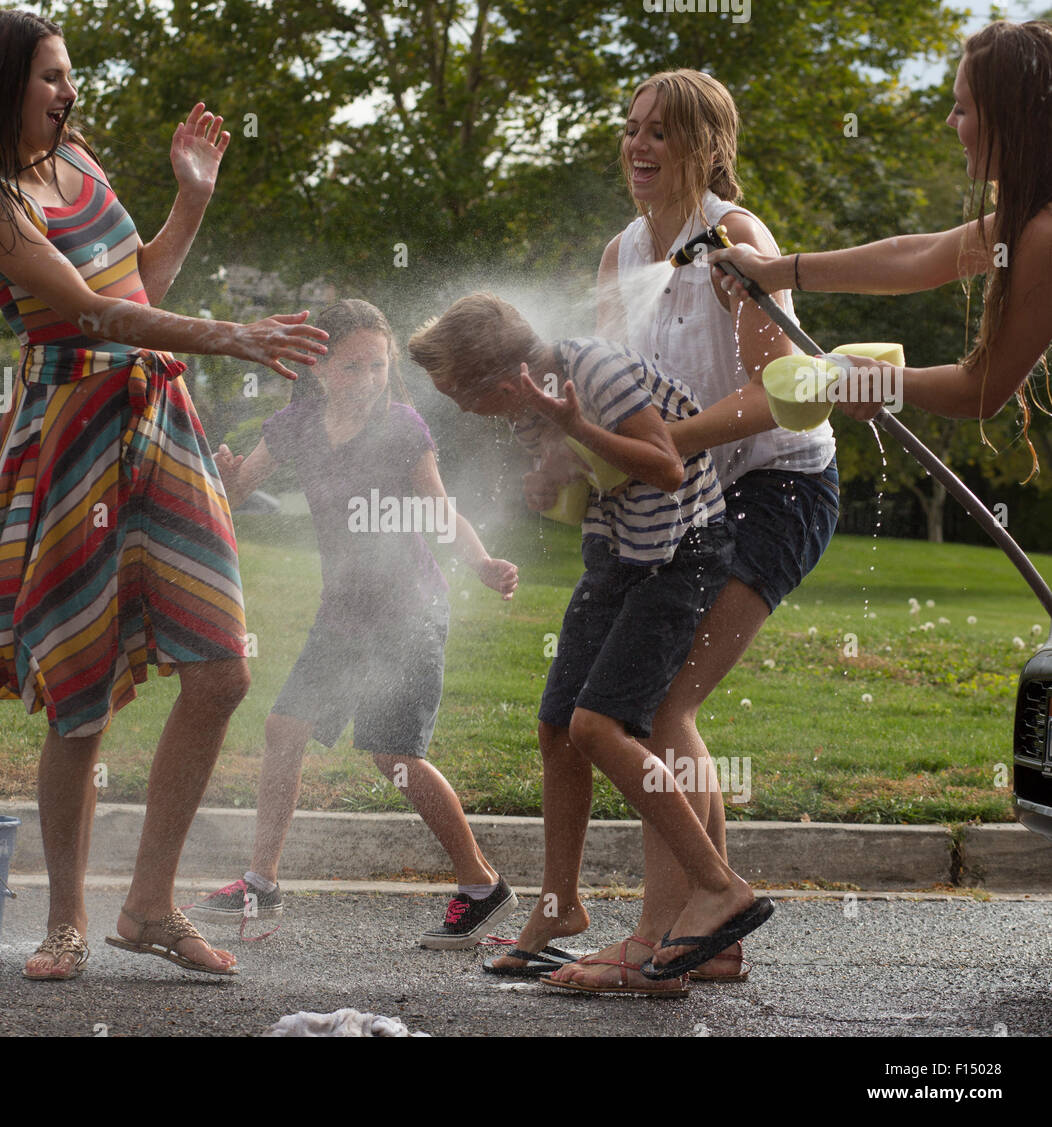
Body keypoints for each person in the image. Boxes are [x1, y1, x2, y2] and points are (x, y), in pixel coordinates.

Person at [0, 8, 328, 981]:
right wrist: (233, 336)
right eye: (51, 77)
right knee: (80, 697)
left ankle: (146, 903)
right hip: (74, 439)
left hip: (160, 421)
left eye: (69, 74)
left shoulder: (82, 167)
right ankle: (65, 921)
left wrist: (190, 200)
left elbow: (135, 286)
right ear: (4, 84)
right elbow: (89, 312)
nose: (69, 91)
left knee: (221, 668)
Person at [492, 69, 839, 990]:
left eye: (664, 133)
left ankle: (655, 945)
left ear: (707, 147)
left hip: (778, 488)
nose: (640, 146)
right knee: (646, 709)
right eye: (633, 129)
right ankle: (711, 938)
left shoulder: (735, 238)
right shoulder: (620, 256)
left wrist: (662, 446)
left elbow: (778, 399)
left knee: (659, 708)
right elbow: (619, 390)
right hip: (691, 496)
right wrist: (565, 459)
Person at [411, 293, 775, 986]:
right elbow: (593, 475)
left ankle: (719, 886)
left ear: (503, 377)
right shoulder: (527, 407)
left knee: (598, 726)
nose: (458, 407)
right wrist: (551, 477)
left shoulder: (594, 371)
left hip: (680, 555)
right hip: (617, 555)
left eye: (460, 391)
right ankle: (560, 906)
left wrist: (573, 424)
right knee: (556, 728)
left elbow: (666, 465)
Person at [191, 298, 522, 948]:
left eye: (377, 365)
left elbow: (441, 512)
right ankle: (261, 881)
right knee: (286, 726)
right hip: (343, 613)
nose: (367, 379)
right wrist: (226, 479)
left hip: (406, 614)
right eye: (352, 367)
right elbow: (235, 491)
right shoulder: (294, 425)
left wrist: (480, 561)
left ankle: (482, 884)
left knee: (393, 755)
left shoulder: (401, 428)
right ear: (317, 368)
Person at [711, 20, 1052, 433]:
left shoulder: (1044, 234)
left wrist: (874, 379)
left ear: (1009, 119)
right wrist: (771, 270)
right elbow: (916, 257)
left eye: (962, 109)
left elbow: (977, 392)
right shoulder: (1029, 222)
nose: (948, 121)